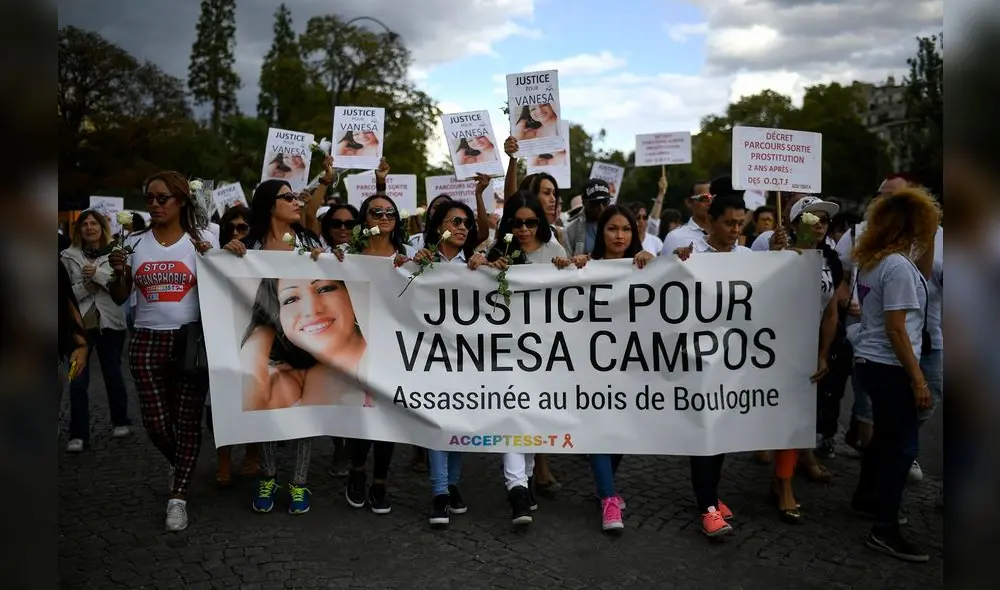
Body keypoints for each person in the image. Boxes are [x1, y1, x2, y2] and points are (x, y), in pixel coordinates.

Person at [107, 170, 218, 532]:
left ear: (182, 201)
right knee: (155, 423)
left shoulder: (202, 240)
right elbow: (121, 297)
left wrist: (223, 256)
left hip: (189, 341)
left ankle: (178, 497)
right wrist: (119, 273)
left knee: (186, 421)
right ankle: (182, 460)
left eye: (162, 198)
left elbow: (225, 283)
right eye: (149, 198)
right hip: (146, 339)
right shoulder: (134, 242)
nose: (154, 204)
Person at [221, 179, 326, 515]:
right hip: (266, 336)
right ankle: (268, 476)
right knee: (268, 404)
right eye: (288, 197)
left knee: (305, 408)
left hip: (304, 337)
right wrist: (228, 253)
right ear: (270, 205)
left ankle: (298, 482)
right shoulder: (249, 244)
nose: (297, 201)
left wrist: (327, 260)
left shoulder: (309, 240)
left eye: (297, 196)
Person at [849, 186, 940, 562]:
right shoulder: (898, 267)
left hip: (870, 363)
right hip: (890, 366)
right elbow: (897, 328)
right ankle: (885, 528)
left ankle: (867, 498)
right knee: (902, 448)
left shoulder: (874, 259)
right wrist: (918, 379)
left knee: (885, 440)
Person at [552, 204, 654, 532]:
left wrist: (656, 267)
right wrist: (572, 268)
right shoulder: (586, 267)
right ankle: (609, 498)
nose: (620, 235)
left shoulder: (645, 266)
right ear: (601, 233)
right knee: (598, 428)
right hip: (591, 365)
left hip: (632, 363)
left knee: (622, 430)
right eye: (612, 229)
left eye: (626, 229)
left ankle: (603, 485)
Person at [669, 185, 749, 538]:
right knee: (705, 432)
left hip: (732, 360)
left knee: (723, 432)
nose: (734, 231)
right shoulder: (689, 254)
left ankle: (712, 494)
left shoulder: (748, 257)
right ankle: (707, 507)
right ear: (712, 222)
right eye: (729, 224)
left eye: (740, 225)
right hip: (697, 358)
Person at [411, 201, 486, 526]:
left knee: (460, 420)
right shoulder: (421, 259)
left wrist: (487, 267)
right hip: (431, 354)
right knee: (437, 421)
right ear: (438, 224)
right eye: (455, 221)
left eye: (467, 223)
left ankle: (452, 484)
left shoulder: (475, 264)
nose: (462, 227)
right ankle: (440, 491)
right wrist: (408, 264)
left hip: (467, 357)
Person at [60, 210, 132, 452]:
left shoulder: (117, 253)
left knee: (113, 373)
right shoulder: (66, 257)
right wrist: (85, 285)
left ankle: (120, 420)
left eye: (94, 223)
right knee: (76, 379)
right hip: (79, 328)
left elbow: (121, 289)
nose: (89, 227)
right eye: (84, 224)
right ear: (78, 229)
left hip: (110, 324)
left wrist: (98, 274)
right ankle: (77, 434)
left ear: (102, 227)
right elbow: (65, 294)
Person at [659, 179, 713, 256]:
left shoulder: (727, 234)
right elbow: (665, 267)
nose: (710, 202)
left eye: (713, 197)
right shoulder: (675, 237)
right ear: (689, 202)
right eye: (704, 198)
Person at [561, 179, 612, 256]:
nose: (601, 208)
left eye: (605, 202)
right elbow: (568, 263)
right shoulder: (570, 231)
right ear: (584, 203)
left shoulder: (620, 224)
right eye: (595, 203)